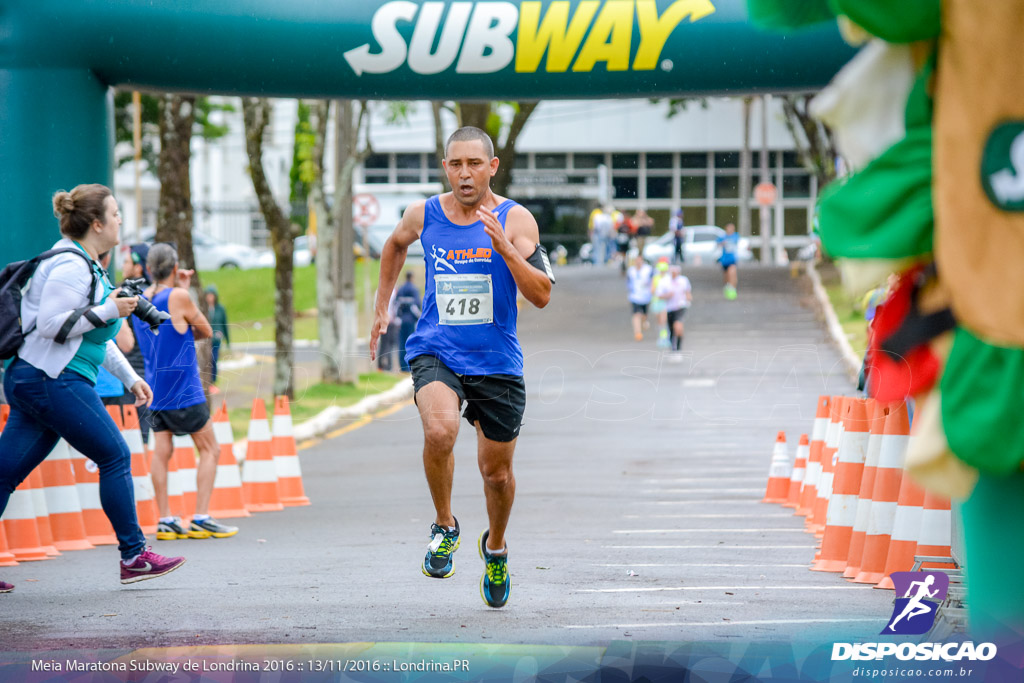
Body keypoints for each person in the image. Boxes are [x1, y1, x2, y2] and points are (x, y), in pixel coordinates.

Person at [369, 126, 552, 609]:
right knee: (440, 430)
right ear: (445, 166)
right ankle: (445, 525)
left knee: (497, 475)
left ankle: (495, 547)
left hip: (496, 361)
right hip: (437, 348)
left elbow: (542, 294)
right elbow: (394, 245)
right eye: (455, 164)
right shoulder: (423, 214)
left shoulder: (516, 220)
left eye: (475, 164)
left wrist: (506, 249)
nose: (464, 174)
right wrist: (381, 305)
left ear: (492, 167)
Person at [0, 184, 185, 592]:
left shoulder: (89, 265)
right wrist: (108, 309)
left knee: (4, 473)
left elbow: (92, 338)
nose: (121, 220)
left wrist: (131, 377)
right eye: (115, 214)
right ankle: (134, 556)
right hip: (51, 379)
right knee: (115, 454)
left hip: (38, 378)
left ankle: (134, 555)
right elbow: (52, 325)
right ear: (97, 223)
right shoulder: (71, 265)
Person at [134, 244, 238, 541]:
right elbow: (205, 330)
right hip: (183, 389)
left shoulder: (140, 300)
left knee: (161, 452)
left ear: (148, 268)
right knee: (210, 449)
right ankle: (201, 516)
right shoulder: (178, 297)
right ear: (175, 265)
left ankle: (166, 518)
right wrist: (184, 288)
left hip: (156, 389)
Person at [116, 243, 153, 442]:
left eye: (127, 262)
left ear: (138, 267)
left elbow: (125, 342)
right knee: (146, 432)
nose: (123, 265)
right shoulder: (154, 294)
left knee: (132, 433)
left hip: (131, 370)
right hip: (150, 370)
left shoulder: (126, 295)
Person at [656, 263, 693, 358]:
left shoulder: (683, 280)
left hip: (681, 307)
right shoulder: (664, 281)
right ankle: (673, 349)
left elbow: (688, 292)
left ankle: (679, 348)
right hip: (669, 308)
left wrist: (688, 297)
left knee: (678, 327)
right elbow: (659, 295)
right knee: (672, 329)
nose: (674, 273)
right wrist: (667, 295)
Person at [394, 272, 421, 372]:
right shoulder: (414, 289)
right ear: (412, 277)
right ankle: (409, 366)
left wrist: (397, 317)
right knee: (410, 343)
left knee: (401, 343)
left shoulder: (401, 289)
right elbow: (416, 306)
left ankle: (402, 366)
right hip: (410, 321)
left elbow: (396, 305)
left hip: (401, 321)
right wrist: (419, 318)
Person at [204, 284, 229, 388]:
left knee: (214, 359)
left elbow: (224, 324)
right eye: (208, 295)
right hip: (206, 339)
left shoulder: (220, 309)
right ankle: (207, 380)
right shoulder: (203, 308)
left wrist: (228, 340)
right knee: (206, 360)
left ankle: (213, 381)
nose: (210, 298)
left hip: (216, 339)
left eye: (212, 295)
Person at [626, 256, 654, 341]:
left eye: (640, 261)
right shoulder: (631, 271)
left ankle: (644, 322)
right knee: (636, 314)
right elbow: (628, 282)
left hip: (646, 296)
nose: (638, 263)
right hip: (635, 297)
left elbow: (653, 279)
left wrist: (652, 288)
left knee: (644, 315)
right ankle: (637, 332)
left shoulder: (648, 270)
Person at [650, 258, 671, 348]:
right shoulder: (656, 277)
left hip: (665, 302)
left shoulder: (669, 278)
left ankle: (664, 338)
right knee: (659, 321)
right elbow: (652, 290)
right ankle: (661, 336)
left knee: (663, 320)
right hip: (656, 301)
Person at [717, 222, 740, 300]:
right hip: (724, 260)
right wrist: (722, 243)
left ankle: (733, 288)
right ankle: (727, 287)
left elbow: (735, 241)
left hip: (732, 259)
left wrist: (726, 241)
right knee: (726, 276)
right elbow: (718, 243)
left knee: (732, 272)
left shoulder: (735, 236)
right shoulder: (723, 237)